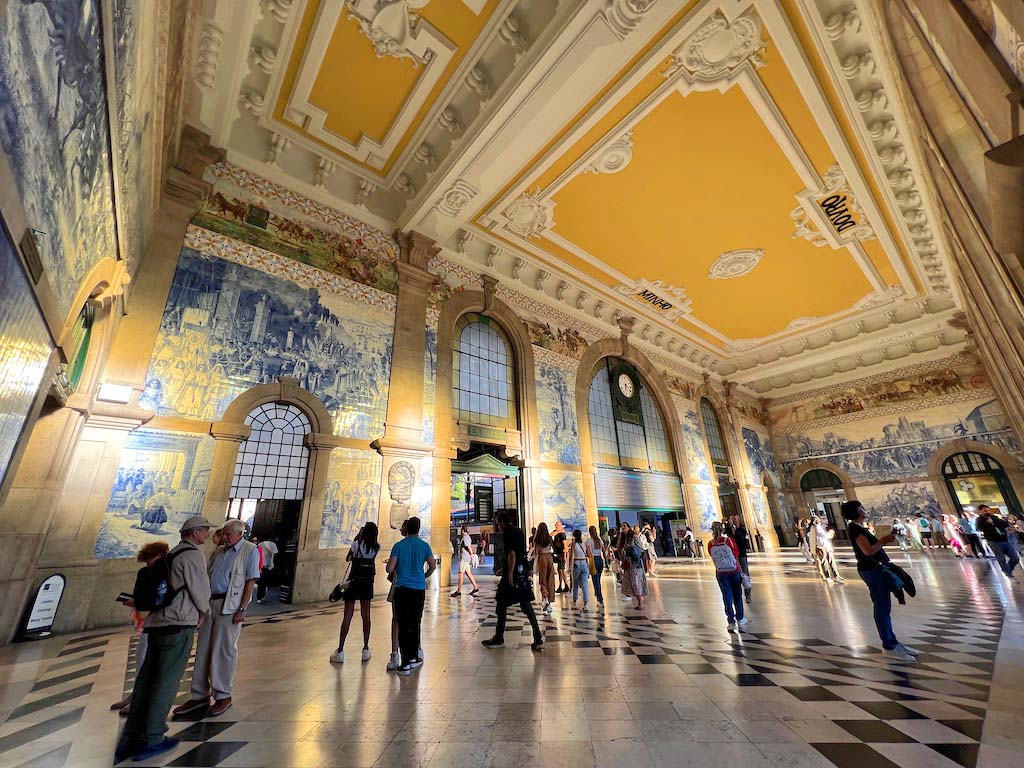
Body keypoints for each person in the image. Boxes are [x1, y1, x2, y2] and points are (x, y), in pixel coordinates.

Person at [114, 517, 212, 763]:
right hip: (178, 624)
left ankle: (130, 739)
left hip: (157, 624)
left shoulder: (169, 555)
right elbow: (200, 590)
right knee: (166, 682)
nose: (208, 533)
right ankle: (154, 737)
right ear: (195, 532)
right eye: (206, 530)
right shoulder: (193, 556)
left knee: (146, 682)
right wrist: (204, 612)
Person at [174, 518, 259, 718]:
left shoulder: (249, 550)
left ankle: (223, 696)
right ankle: (199, 695)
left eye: (228, 534)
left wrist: (243, 609)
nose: (224, 538)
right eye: (224, 534)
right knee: (203, 650)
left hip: (230, 607)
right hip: (210, 604)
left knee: (224, 651)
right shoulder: (220, 551)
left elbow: (250, 580)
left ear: (240, 534)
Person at [841, 500, 918, 662]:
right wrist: (883, 540)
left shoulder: (859, 527)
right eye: (860, 508)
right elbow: (868, 551)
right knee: (882, 608)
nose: (864, 509)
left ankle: (893, 642)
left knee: (884, 607)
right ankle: (889, 646)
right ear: (856, 512)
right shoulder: (855, 528)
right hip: (872, 571)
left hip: (876, 569)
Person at [110, 542, 171, 716]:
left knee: (146, 659)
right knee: (141, 658)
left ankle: (141, 699)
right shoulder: (146, 572)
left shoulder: (164, 572)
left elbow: (160, 596)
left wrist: (138, 602)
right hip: (146, 619)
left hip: (157, 619)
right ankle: (137, 694)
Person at [482, 512, 544, 651]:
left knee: (501, 605)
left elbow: (511, 554)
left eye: (498, 523)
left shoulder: (507, 533)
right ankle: (538, 637)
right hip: (521, 572)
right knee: (527, 606)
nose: (498, 526)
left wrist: (509, 573)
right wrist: (504, 569)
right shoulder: (520, 532)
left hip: (513, 574)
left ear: (503, 522)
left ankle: (499, 638)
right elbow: (519, 552)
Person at [386, 516, 436, 675]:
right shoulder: (424, 546)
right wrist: (423, 576)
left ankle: (405, 662)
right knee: (415, 623)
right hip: (419, 589)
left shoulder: (399, 546)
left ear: (407, 529)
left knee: (402, 623)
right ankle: (414, 657)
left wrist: (393, 565)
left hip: (402, 588)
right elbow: (432, 566)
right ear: (419, 529)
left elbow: (389, 568)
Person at [330, 522, 380, 664]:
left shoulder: (356, 545)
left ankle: (340, 650)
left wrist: (356, 539)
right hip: (367, 583)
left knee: (347, 616)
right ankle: (365, 648)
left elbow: (348, 558)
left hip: (354, 582)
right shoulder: (376, 547)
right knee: (366, 616)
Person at [708, 521, 745, 630]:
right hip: (734, 570)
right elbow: (736, 554)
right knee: (737, 595)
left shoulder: (710, 543)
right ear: (723, 529)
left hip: (721, 572)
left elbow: (712, 555)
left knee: (726, 596)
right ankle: (740, 618)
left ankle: (731, 621)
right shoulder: (729, 540)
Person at [977, 505, 1020, 578]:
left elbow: (1004, 524)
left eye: (988, 510)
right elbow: (980, 528)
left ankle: (1008, 569)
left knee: (1015, 558)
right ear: (980, 511)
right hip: (994, 541)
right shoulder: (980, 520)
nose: (987, 512)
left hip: (1004, 539)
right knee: (1001, 558)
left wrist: (995, 522)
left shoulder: (994, 517)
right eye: (985, 511)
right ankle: (1008, 573)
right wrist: (989, 524)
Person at [451, 525, 481, 598]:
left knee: (460, 573)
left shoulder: (465, 537)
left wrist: (472, 554)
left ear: (462, 530)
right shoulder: (467, 537)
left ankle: (459, 591)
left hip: (464, 558)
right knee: (468, 573)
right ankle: (475, 587)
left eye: (461, 530)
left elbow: (468, 546)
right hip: (466, 558)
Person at [623, 527, 649, 609]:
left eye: (624, 526)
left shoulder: (634, 537)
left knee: (636, 582)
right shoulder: (625, 539)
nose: (622, 528)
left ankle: (641, 603)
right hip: (630, 563)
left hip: (636, 563)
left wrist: (630, 549)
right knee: (633, 582)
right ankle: (640, 602)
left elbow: (641, 548)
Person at [534, 522, 556, 613]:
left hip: (542, 557)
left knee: (542, 580)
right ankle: (550, 603)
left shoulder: (537, 539)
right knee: (550, 579)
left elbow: (536, 551)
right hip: (549, 557)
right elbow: (553, 548)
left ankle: (545, 598)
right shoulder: (549, 538)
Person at [730, 515, 752, 602]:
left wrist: (734, 527)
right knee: (734, 575)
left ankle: (748, 595)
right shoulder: (730, 529)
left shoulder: (742, 529)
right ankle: (737, 596)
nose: (733, 520)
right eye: (732, 519)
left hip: (741, 554)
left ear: (739, 520)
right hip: (732, 555)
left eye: (734, 519)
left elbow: (739, 538)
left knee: (745, 574)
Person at [570, 529, 592, 610]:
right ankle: (586, 603)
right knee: (584, 584)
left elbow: (571, 556)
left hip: (576, 564)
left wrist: (569, 567)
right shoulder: (584, 544)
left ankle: (575, 600)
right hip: (584, 563)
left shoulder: (573, 544)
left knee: (575, 584)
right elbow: (589, 554)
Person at [255, 537, 278, 603]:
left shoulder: (260, 544)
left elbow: (257, 555)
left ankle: (259, 598)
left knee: (261, 583)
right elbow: (276, 554)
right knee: (266, 583)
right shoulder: (273, 544)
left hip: (261, 566)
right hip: (269, 566)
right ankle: (263, 597)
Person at [588, 525, 606, 606]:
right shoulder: (599, 540)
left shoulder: (588, 541)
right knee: (598, 579)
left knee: (595, 581)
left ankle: (600, 597)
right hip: (600, 560)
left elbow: (588, 553)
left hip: (593, 560)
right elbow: (603, 550)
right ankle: (597, 594)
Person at [552, 522, 568, 593]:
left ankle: (565, 585)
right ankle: (562, 586)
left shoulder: (562, 535)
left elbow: (565, 546)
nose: (556, 526)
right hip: (558, 555)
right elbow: (550, 534)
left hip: (561, 555)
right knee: (560, 570)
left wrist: (564, 556)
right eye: (555, 525)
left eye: (558, 525)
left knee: (561, 570)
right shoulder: (556, 533)